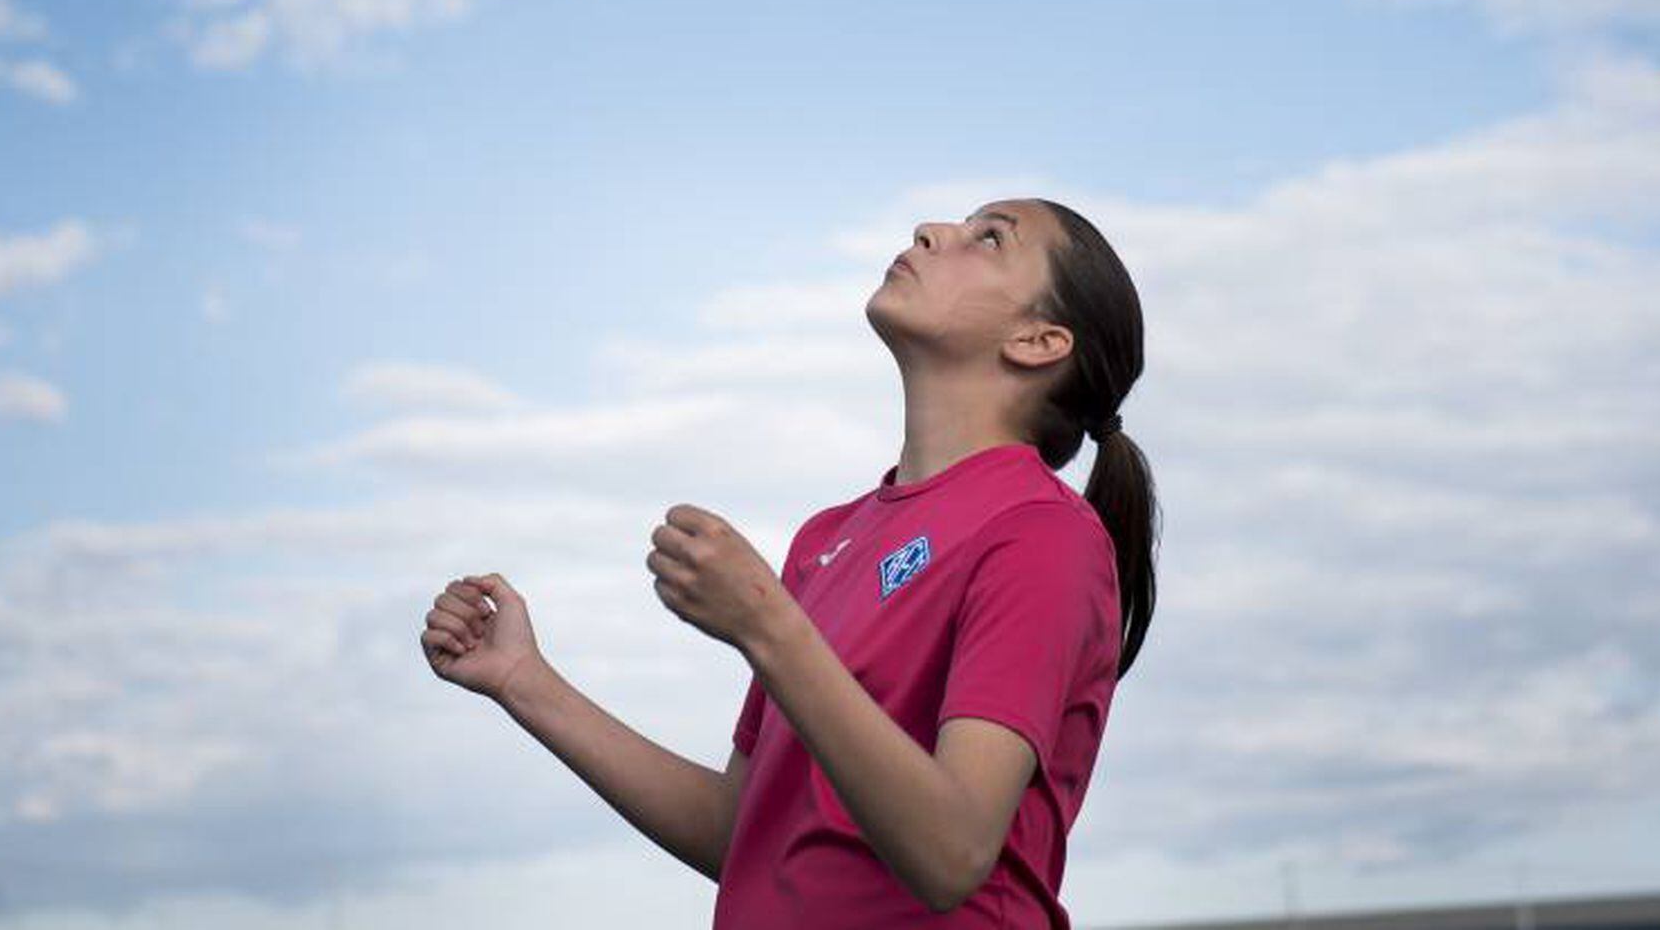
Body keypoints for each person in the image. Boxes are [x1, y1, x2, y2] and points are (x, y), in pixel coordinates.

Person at [420, 197, 1160, 927]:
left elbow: (953, 853)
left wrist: (766, 624)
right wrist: (524, 681)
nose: (931, 231)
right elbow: (739, 832)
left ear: (1038, 341)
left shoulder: (1041, 532)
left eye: (990, 239)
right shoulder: (825, 540)